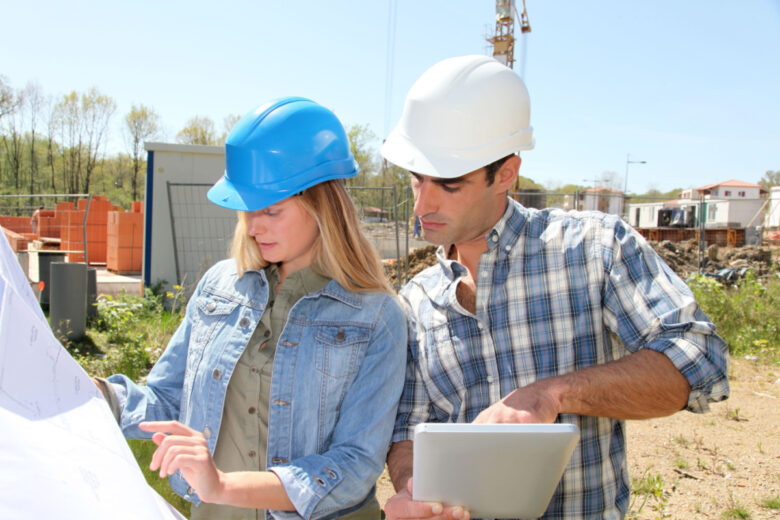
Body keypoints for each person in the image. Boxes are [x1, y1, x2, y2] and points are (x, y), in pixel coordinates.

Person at [379, 55, 730, 519]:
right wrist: (413, 488)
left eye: (449, 184)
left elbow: (700, 362)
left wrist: (552, 394)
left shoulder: (594, 249)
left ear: (505, 173)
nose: (422, 203)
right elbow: (409, 427)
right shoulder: (416, 300)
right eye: (416, 179)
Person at [95, 97, 407, 520]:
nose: (253, 226)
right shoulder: (220, 287)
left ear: (324, 205)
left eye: (271, 211)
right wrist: (97, 396)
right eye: (247, 209)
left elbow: (354, 464)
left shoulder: (375, 316)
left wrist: (222, 485)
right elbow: (168, 399)